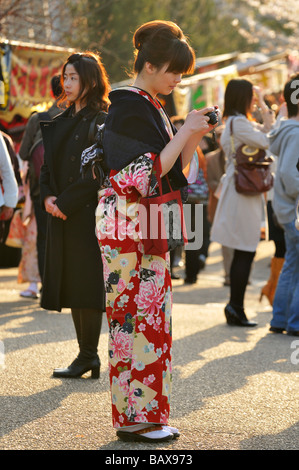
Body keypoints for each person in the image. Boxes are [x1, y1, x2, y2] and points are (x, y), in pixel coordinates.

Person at [95, 20, 218, 442]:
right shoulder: (128, 104)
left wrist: (193, 135)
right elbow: (139, 174)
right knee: (133, 317)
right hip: (128, 221)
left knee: (151, 316)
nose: (178, 79)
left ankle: (146, 414)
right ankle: (133, 417)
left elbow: (170, 172)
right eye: (173, 70)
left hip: (143, 221)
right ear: (149, 65)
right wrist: (184, 130)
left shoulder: (148, 102)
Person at [39, 52, 110, 378]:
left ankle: (88, 355)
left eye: (73, 78)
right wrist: (48, 196)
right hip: (63, 211)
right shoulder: (64, 117)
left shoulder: (102, 118)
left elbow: (97, 172)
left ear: (90, 80)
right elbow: (48, 164)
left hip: (88, 213)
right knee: (72, 282)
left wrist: (64, 203)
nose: (66, 83)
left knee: (87, 284)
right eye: (64, 77)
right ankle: (86, 356)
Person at [210, 79, 275, 327]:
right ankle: (235, 307)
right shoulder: (239, 123)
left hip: (241, 191)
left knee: (244, 250)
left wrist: (261, 103)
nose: (254, 99)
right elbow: (270, 139)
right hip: (242, 192)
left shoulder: (237, 122)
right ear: (243, 97)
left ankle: (235, 307)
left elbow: (269, 130)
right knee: (245, 250)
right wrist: (262, 103)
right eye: (251, 95)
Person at [19, 75, 63, 286]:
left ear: (52, 92)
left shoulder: (38, 119)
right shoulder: (80, 117)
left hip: (41, 188)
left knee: (44, 236)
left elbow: (25, 152)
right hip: (72, 187)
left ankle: (48, 285)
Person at [268, 74, 299, 336]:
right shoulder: (297, 134)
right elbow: (290, 175)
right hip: (295, 210)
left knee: (291, 263)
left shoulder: (287, 130)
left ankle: (281, 319)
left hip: (287, 210)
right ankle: (294, 322)